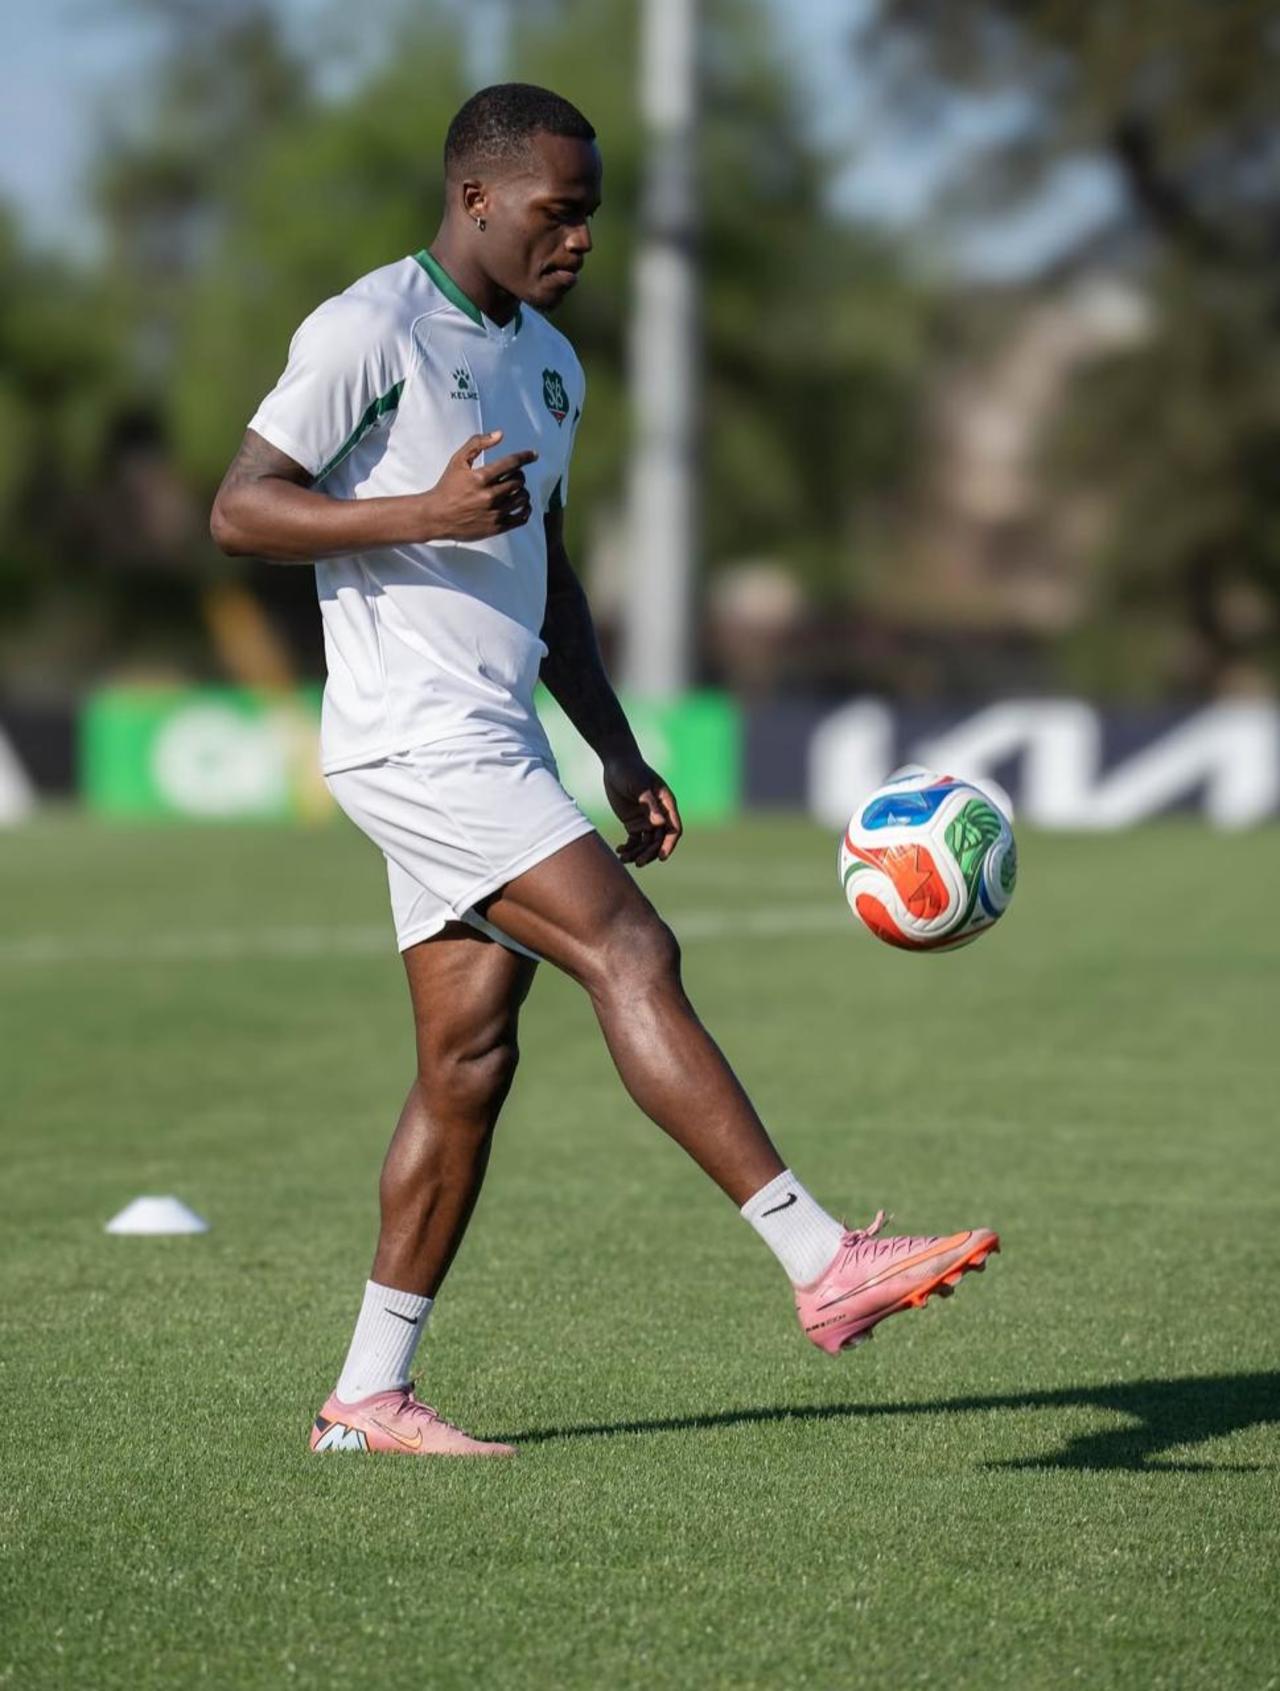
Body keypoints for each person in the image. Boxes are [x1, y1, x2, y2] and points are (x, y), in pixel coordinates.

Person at [210, 83, 998, 1459]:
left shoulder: (553, 366)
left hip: (496, 730)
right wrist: (422, 511)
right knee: (631, 950)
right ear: (476, 198)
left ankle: (368, 1398)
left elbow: (550, 574)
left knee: (468, 1062)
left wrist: (615, 747)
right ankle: (822, 1261)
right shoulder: (368, 328)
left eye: (591, 218)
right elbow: (239, 508)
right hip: (413, 733)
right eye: (557, 213)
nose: (579, 240)